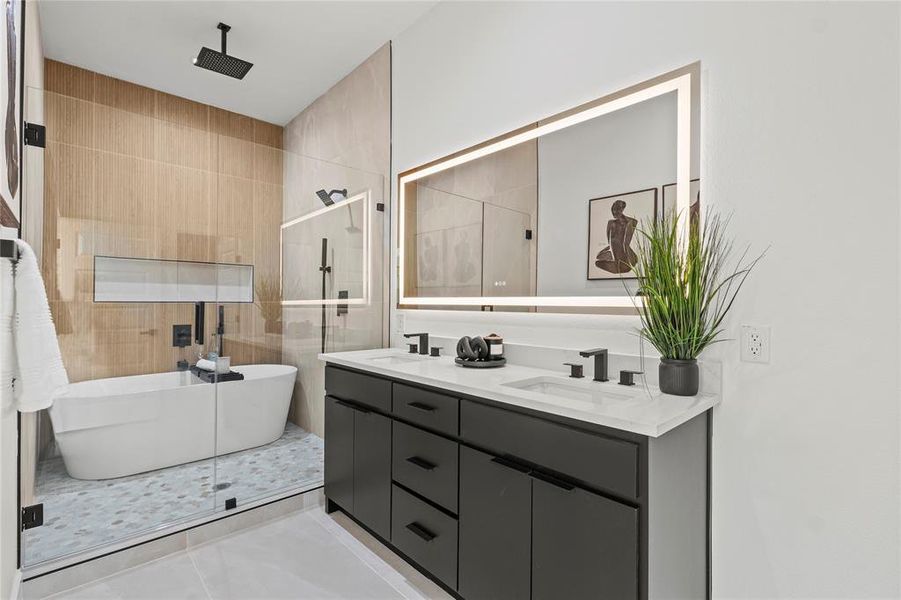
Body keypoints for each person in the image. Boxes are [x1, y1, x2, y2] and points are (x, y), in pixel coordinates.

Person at [595, 199, 638, 274]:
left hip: (624, 257)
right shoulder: (610, 223)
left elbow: (625, 244)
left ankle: (622, 263)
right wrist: (607, 250)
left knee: (599, 261)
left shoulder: (631, 222)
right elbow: (610, 242)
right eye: (613, 209)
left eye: (617, 209)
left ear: (622, 210)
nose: (614, 212)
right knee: (598, 260)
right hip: (616, 254)